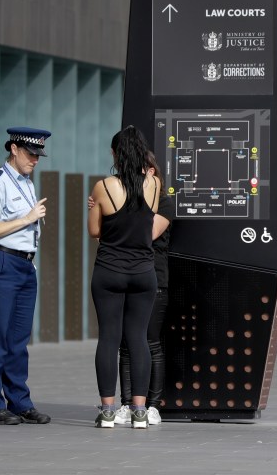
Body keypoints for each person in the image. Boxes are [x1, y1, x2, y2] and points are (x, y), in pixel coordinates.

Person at [0, 127, 53, 425]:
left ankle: (19, 401)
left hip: (23, 265)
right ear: (14, 149)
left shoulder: (26, 182)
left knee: (18, 339)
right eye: (31, 153)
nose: (36, 159)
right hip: (1, 262)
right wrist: (27, 219)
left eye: (38, 155)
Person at [87, 126, 160, 429]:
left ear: (114, 155)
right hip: (144, 272)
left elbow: (95, 232)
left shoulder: (103, 187)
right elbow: (147, 226)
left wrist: (97, 211)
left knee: (109, 338)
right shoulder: (154, 185)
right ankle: (140, 412)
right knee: (138, 339)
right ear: (143, 154)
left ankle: (107, 411)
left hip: (109, 270)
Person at [113, 152, 174, 425]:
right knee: (126, 344)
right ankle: (127, 404)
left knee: (151, 342)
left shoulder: (164, 203)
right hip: (125, 276)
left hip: (154, 280)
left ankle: (153, 404)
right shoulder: (127, 202)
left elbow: (144, 234)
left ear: (151, 172)